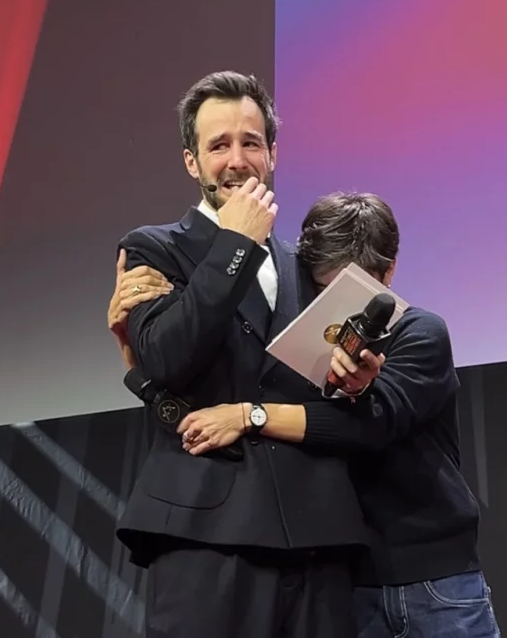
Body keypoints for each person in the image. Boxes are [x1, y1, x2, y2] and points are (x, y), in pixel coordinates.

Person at [110, 192, 501, 637]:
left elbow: (368, 426)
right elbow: (207, 406)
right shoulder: (306, 350)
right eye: (322, 288)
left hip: (435, 583)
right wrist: (138, 360)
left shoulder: (421, 333)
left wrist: (249, 415)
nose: (338, 305)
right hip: (353, 582)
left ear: (388, 271)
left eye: (353, 287)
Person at [111, 71, 379, 638]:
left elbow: (334, 399)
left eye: (251, 142)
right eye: (218, 145)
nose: (237, 160)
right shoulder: (152, 247)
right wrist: (235, 245)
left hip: (317, 534)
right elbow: (166, 359)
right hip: (206, 532)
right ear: (191, 161)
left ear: (273, 154)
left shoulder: (306, 264)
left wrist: (356, 378)